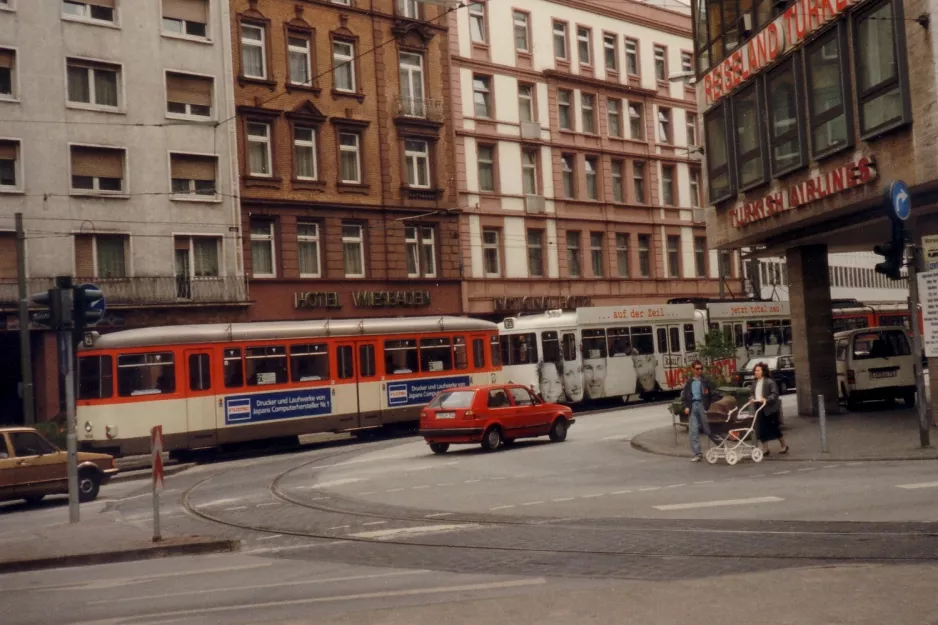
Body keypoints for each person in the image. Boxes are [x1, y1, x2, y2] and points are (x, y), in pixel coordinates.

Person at [681, 360, 720, 462]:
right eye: (697, 369)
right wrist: (686, 406)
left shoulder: (705, 381)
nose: (700, 370)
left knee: (708, 430)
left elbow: (714, 394)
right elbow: (685, 397)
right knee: (693, 431)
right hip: (693, 406)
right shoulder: (689, 383)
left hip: (703, 406)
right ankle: (697, 454)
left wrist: (709, 407)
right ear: (692, 369)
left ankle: (722, 445)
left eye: (701, 368)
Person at [751, 362, 788, 455]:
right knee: (762, 428)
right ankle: (765, 449)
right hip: (759, 407)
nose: (756, 372)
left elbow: (774, 394)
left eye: (758, 370)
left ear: (763, 371)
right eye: (755, 370)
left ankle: (784, 445)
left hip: (770, 408)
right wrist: (752, 398)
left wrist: (766, 399)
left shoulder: (769, 381)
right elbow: (752, 393)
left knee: (774, 427)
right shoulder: (754, 382)